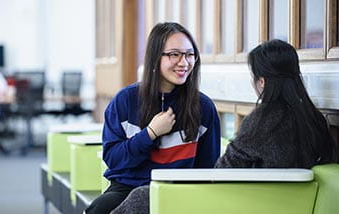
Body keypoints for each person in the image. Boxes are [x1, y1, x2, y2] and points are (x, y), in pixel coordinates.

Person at [111, 39, 337, 214]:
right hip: (284, 205)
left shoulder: (262, 121)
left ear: (262, 82)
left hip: (242, 203)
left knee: (142, 197)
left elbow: (222, 172)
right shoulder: (315, 121)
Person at [85, 22, 221, 214]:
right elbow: (114, 159)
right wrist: (149, 133)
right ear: (155, 57)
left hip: (179, 190)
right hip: (128, 187)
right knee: (99, 208)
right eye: (175, 54)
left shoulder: (203, 107)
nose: (184, 62)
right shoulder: (125, 101)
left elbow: (207, 168)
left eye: (190, 54)